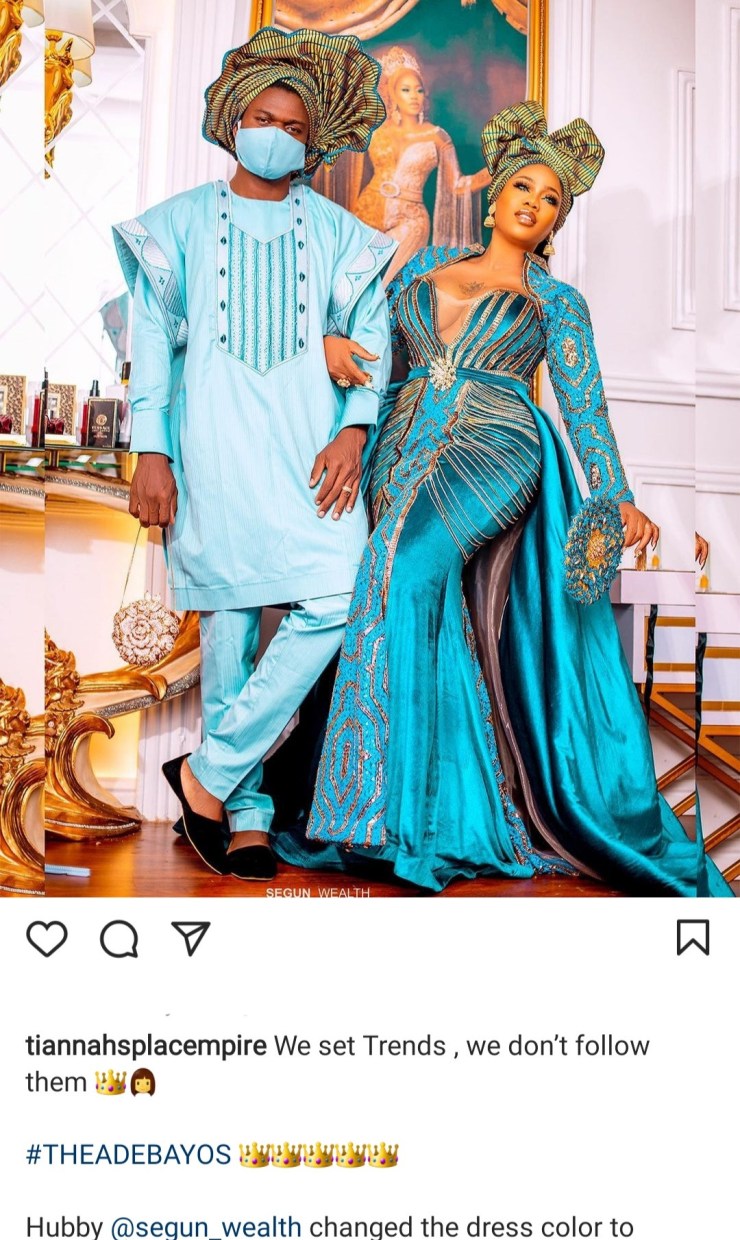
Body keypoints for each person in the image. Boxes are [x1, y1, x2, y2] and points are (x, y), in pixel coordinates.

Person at [276, 101, 733, 898]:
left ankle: (397, 823)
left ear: (556, 220)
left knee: (409, 568)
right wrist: (332, 342)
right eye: (523, 186)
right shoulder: (420, 267)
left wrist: (616, 493)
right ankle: (428, 810)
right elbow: (367, 336)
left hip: (497, 445)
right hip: (398, 443)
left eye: (551, 198)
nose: (534, 203)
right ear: (494, 199)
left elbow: (585, 405)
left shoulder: (557, 301)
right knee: (389, 581)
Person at [113, 28, 395, 881]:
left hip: (312, 452)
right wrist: (151, 450)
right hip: (215, 451)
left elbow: (371, 335)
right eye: (263, 118)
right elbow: (152, 345)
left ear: (313, 146)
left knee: (338, 595)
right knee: (231, 631)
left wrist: (355, 429)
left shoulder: (343, 234)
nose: (275, 134)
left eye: (294, 127)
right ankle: (247, 815)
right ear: (234, 121)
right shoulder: (178, 226)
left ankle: (206, 771)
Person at [350, 47, 489, 280]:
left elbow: (456, 185)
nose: (414, 96)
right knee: (354, 284)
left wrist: (497, 168)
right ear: (393, 94)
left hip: (411, 221)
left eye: (419, 90)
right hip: (366, 214)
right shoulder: (376, 131)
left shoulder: (437, 136)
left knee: (384, 286)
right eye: (405, 90)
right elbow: (357, 175)